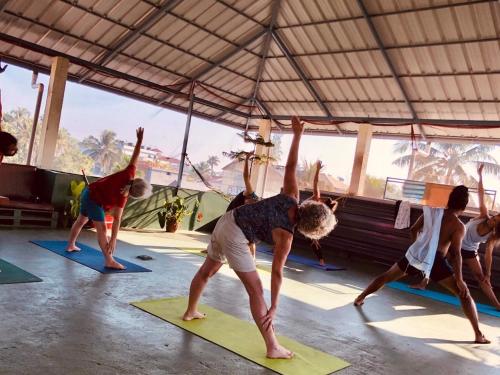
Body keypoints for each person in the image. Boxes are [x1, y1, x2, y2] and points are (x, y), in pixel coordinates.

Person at [183, 116, 337, 359]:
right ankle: (272, 347)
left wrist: (297, 134)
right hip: (235, 235)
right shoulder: (286, 237)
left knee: (208, 270)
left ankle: (190, 311)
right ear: (310, 230)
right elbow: (277, 273)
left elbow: (290, 166)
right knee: (256, 291)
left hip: (227, 220)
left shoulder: (291, 196)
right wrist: (274, 305)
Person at [354, 185, 490, 344]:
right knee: (464, 295)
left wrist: (418, 248)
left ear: (450, 200)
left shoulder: (431, 212)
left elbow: (413, 230)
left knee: (386, 277)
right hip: (437, 261)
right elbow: (457, 254)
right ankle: (478, 335)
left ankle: (360, 297)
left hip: (416, 255)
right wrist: (460, 280)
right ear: (464, 206)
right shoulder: (458, 225)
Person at [65, 127, 152, 270]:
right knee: (102, 230)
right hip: (94, 199)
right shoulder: (123, 197)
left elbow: (135, 156)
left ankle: (70, 245)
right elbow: (117, 220)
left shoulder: (129, 173)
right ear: (134, 195)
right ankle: (109, 260)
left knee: (81, 220)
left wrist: (139, 141)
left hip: (88, 192)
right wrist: (112, 240)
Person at [202, 151, 259, 257]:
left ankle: (253, 258)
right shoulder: (250, 193)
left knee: (250, 238)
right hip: (230, 214)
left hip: (238, 218)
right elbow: (246, 177)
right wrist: (247, 159)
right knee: (219, 232)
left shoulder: (255, 209)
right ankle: (210, 249)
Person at [460, 164, 500, 309]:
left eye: (495, 221)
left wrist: (488, 274)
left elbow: (488, 254)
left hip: (470, 251)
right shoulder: (483, 215)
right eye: (494, 217)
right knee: (441, 262)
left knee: (481, 278)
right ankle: (423, 283)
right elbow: (481, 195)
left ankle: (497, 304)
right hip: (455, 244)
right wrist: (480, 176)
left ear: (496, 227)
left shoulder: (491, 236)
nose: (492, 219)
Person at [308, 160, 338, 266]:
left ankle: (321, 260)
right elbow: (316, 182)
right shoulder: (319, 201)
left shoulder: (317, 200)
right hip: (302, 219)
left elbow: (315, 182)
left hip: (304, 221)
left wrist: (317, 170)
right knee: (314, 241)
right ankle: (321, 260)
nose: (322, 198)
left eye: (324, 199)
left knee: (314, 241)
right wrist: (317, 170)